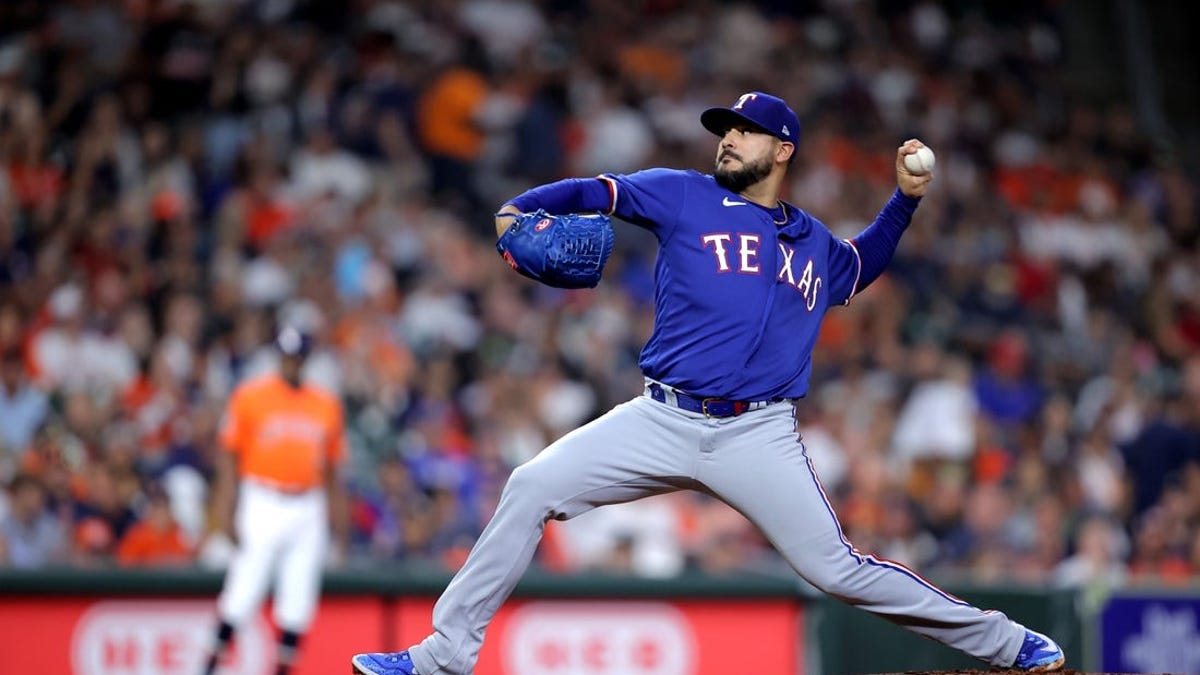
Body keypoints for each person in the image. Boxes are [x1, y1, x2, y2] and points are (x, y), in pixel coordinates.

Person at [351, 92, 1066, 674]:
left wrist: (904, 201)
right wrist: (519, 205)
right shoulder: (681, 194)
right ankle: (444, 656)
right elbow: (595, 191)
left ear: (782, 149)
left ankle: (1006, 643)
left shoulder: (813, 241)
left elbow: (861, 265)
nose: (727, 140)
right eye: (724, 130)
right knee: (530, 485)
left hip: (758, 432)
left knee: (838, 568)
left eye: (745, 132)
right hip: (658, 417)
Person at [203, 326, 348, 675]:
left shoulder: (325, 403)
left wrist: (338, 525)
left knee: (298, 598)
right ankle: (207, 667)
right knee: (243, 589)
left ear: (306, 359)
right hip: (262, 499)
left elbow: (332, 470)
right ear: (278, 357)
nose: (291, 363)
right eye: (286, 356)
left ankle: (283, 671)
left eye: (297, 357)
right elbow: (228, 457)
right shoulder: (251, 396)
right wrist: (224, 510)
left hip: (308, 504)